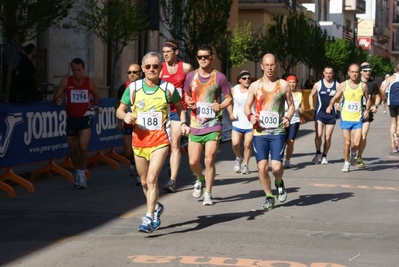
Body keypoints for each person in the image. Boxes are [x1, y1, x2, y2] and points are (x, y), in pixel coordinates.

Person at [116, 52, 190, 233]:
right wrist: (126, 115)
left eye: (155, 66)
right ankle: (155, 207)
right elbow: (119, 110)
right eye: (148, 66)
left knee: (152, 178)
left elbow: (180, 107)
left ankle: (148, 217)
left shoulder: (168, 88)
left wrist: (183, 123)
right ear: (142, 69)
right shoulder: (133, 89)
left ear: (160, 68)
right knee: (143, 181)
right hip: (139, 141)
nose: (151, 69)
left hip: (160, 140)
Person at [244, 53, 294, 210]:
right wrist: (250, 115)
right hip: (259, 132)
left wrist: (288, 117)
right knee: (262, 167)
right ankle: (269, 196)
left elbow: (291, 105)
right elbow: (247, 105)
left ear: (276, 65)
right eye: (267, 65)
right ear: (262, 66)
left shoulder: (283, 85)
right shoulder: (254, 86)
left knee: (277, 167)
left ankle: (279, 182)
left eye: (272, 65)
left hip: (277, 132)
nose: (270, 68)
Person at [184, 44, 232, 206]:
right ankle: (200, 179)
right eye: (200, 57)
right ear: (196, 58)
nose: (203, 59)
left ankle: (208, 193)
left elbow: (228, 97)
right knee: (192, 162)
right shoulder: (191, 76)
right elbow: (186, 95)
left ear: (212, 57)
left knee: (209, 160)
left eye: (206, 56)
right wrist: (188, 101)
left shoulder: (219, 77)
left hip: (213, 125)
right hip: (195, 125)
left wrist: (221, 106)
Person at [54, 58, 101, 188]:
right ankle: (78, 171)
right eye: (74, 70)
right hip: (71, 119)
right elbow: (58, 94)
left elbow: (96, 95)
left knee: (83, 146)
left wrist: (96, 105)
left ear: (83, 69)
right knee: (73, 148)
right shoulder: (66, 81)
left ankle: (81, 173)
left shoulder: (89, 82)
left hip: (85, 118)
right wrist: (58, 99)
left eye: (79, 70)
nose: (76, 73)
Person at [160, 39, 193, 193]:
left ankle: (172, 180)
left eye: (168, 52)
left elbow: (191, 88)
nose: (165, 55)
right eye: (164, 52)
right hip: (162, 111)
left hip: (178, 110)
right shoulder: (159, 69)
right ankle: (169, 163)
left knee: (175, 143)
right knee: (164, 145)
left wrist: (192, 102)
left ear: (176, 52)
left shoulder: (185, 68)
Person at [326, 63, 370, 172]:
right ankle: (346, 163)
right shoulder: (343, 85)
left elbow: (368, 99)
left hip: (357, 118)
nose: (354, 74)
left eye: (356, 72)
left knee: (356, 143)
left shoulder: (363, 86)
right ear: (348, 73)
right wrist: (331, 105)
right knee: (347, 143)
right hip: (345, 118)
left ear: (359, 73)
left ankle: (353, 153)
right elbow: (335, 96)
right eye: (352, 72)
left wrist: (367, 110)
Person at [116, 63, 142, 185]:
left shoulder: (145, 86)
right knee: (128, 151)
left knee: (140, 151)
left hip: (142, 124)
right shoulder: (123, 87)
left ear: (140, 74)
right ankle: (133, 163)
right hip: (128, 122)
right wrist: (119, 121)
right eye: (129, 72)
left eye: (135, 72)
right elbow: (118, 106)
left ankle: (140, 173)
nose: (131, 75)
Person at [308, 67, 339, 165]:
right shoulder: (318, 84)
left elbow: (342, 97)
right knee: (319, 135)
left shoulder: (337, 85)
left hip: (331, 114)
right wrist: (312, 107)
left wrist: (339, 104)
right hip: (320, 114)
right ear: (323, 73)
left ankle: (324, 155)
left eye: (330, 73)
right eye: (326, 73)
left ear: (333, 73)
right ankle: (318, 152)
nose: (328, 75)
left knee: (327, 137)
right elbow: (310, 95)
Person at [227, 70, 253, 174]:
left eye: (248, 78)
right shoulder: (234, 90)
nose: (247, 80)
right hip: (237, 122)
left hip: (249, 122)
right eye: (244, 78)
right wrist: (230, 113)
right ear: (239, 80)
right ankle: (238, 157)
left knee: (247, 144)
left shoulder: (253, 90)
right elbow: (228, 101)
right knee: (235, 144)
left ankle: (245, 164)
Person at [356, 62, 381, 166]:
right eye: (365, 71)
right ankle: (353, 152)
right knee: (355, 139)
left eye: (369, 71)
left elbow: (378, 96)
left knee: (363, 135)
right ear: (361, 71)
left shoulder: (373, 83)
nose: (368, 72)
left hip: (366, 113)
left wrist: (375, 106)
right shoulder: (354, 82)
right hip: (354, 113)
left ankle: (359, 157)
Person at [284, 74, 304, 168]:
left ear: (296, 84)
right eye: (290, 82)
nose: (292, 84)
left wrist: (301, 110)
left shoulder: (299, 95)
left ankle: (287, 160)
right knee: (282, 141)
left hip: (294, 120)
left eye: (293, 82)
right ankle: (278, 158)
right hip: (283, 120)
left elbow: (302, 108)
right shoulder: (283, 93)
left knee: (290, 141)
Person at [380, 65, 399, 153]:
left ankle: (393, 145)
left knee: (393, 122)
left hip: (392, 103)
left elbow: (383, 89)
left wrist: (384, 98)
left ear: (395, 70)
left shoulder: (390, 78)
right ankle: (397, 137)